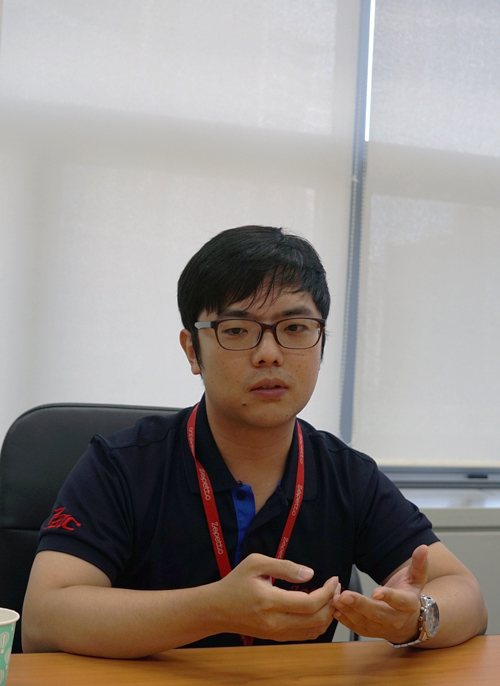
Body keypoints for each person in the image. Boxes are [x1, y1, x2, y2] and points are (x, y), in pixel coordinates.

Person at [22, 226, 487, 658]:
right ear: (192, 350)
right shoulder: (122, 466)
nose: (269, 353)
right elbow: (44, 619)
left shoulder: (346, 475)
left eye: (295, 328)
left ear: (321, 345)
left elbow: (465, 595)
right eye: (237, 330)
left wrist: (416, 618)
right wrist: (213, 609)